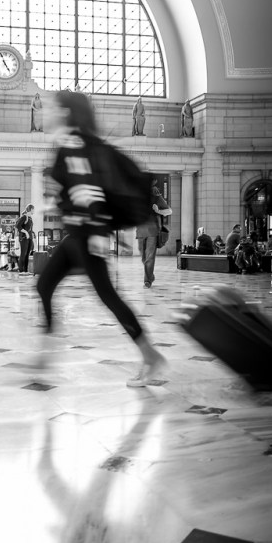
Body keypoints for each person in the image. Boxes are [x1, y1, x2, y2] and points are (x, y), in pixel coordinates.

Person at [35, 91, 164, 388]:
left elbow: (89, 189)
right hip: (77, 235)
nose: (46, 113)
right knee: (44, 285)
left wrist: (96, 232)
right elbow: (71, 187)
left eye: (51, 108)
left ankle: (150, 355)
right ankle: (45, 355)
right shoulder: (70, 143)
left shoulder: (74, 143)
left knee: (108, 296)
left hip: (85, 235)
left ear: (66, 112)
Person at [135, 178, 172, 288]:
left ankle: (147, 281)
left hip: (152, 231)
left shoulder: (156, 196)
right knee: (143, 257)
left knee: (149, 257)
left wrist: (158, 211)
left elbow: (169, 211)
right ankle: (150, 275)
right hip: (140, 231)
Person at [15, 204, 35, 275]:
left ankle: (25, 271)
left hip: (29, 238)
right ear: (31, 209)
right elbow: (17, 225)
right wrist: (25, 232)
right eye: (33, 209)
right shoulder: (24, 217)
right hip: (23, 238)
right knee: (23, 254)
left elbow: (30, 229)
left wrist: (32, 236)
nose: (34, 211)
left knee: (27, 255)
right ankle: (21, 271)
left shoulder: (30, 218)